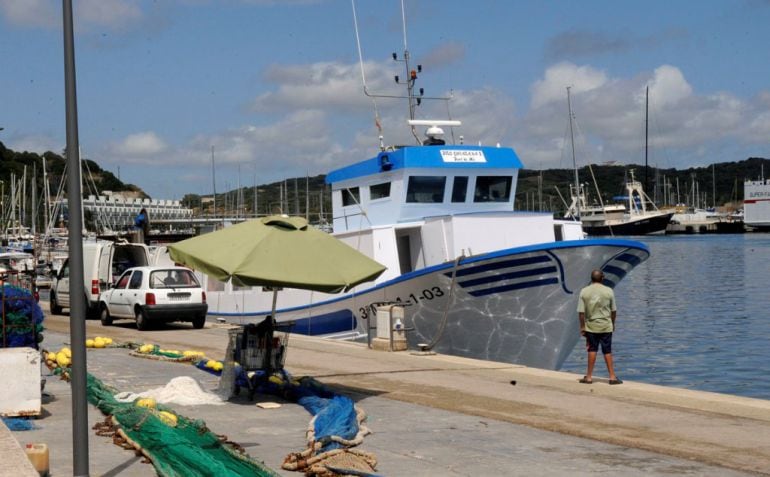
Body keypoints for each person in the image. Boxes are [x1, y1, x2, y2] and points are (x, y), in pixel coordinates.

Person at [577, 269, 622, 385]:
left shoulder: (584, 291)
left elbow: (581, 313)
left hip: (591, 326)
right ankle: (612, 377)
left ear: (591, 279)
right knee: (607, 350)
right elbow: (614, 311)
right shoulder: (609, 291)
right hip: (606, 325)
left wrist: (582, 327)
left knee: (592, 349)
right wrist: (612, 323)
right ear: (602, 278)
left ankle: (589, 377)